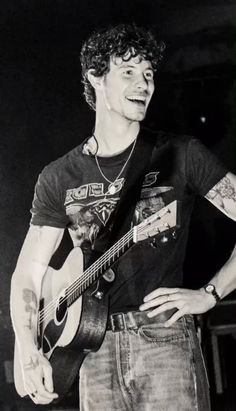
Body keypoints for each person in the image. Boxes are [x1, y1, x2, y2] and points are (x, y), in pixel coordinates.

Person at [10, 23, 236, 410]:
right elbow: (28, 274)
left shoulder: (181, 154)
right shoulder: (59, 176)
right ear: (96, 78)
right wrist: (28, 346)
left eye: (148, 74)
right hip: (90, 351)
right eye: (128, 71)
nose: (143, 84)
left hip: (163, 340)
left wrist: (211, 294)